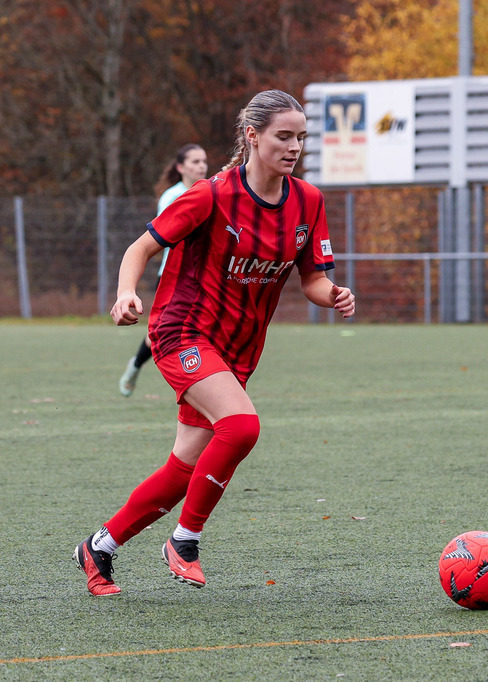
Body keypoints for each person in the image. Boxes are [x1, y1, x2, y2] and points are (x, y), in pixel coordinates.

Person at [74, 89, 356, 596]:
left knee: (185, 467)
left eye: (301, 138)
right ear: (253, 136)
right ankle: (185, 540)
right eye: (283, 136)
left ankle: (99, 547)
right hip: (182, 331)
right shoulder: (211, 194)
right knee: (242, 425)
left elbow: (312, 278)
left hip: (238, 349)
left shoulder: (309, 201)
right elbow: (140, 247)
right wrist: (124, 295)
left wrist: (332, 294)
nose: (294, 147)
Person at [120, 143, 209, 397]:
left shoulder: (213, 191)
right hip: (176, 277)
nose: (201, 166)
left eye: (203, 161)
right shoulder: (172, 197)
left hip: (206, 276)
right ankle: (136, 366)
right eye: (194, 161)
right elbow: (165, 236)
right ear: (181, 167)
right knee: (158, 333)